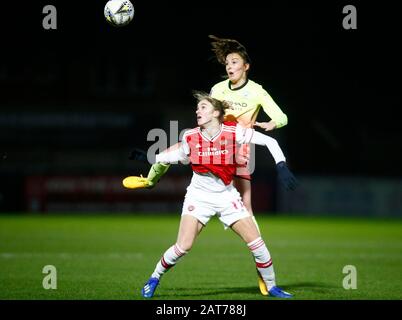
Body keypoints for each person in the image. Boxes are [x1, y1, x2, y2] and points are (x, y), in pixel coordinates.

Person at [125, 35, 291, 295]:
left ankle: (268, 282)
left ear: (246, 65)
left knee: (253, 228)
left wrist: (278, 149)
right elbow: (170, 155)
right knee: (184, 246)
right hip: (202, 190)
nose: (229, 66)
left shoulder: (250, 103)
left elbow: (275, 129)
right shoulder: (200, 123)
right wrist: (149, 169)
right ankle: (154, 279)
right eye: (227, 62)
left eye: (234, 61)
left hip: (232, 174)